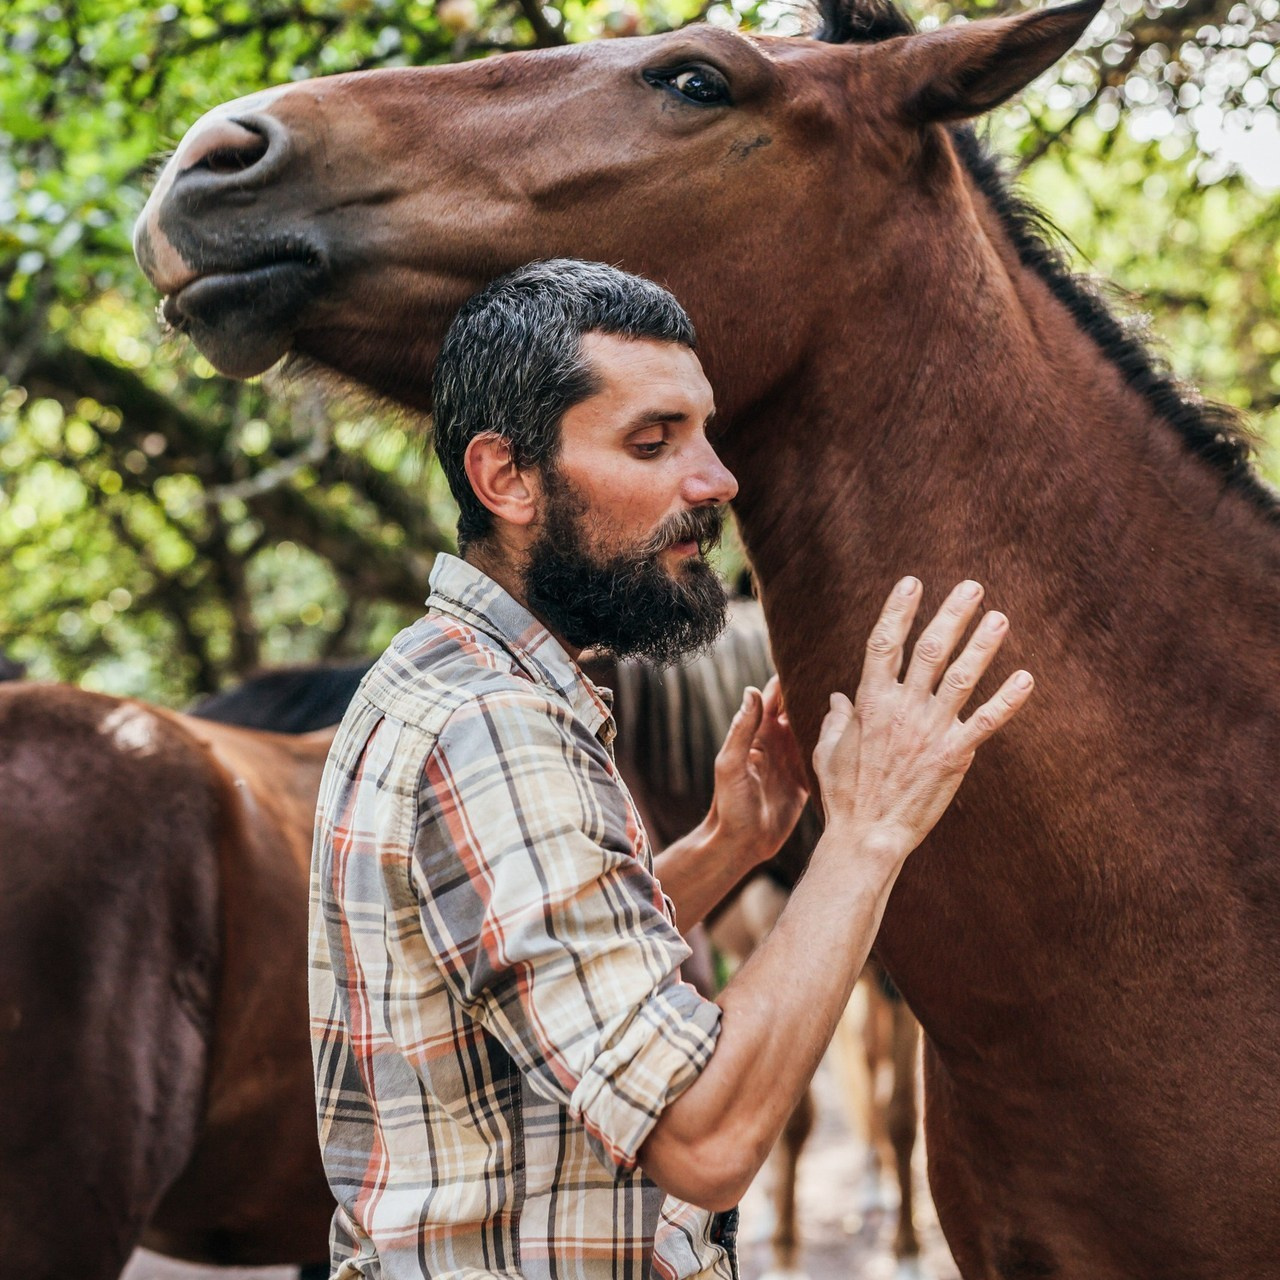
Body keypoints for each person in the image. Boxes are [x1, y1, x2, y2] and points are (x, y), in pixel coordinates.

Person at [308, 259, 1033, 1280]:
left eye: (702, 431)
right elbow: (702, 1139)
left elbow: (524, 969)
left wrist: (726, 846)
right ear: (505, 478)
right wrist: (867, 830)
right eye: (653, 442)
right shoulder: (496, 729)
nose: (715, 479)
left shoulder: (438, 673)